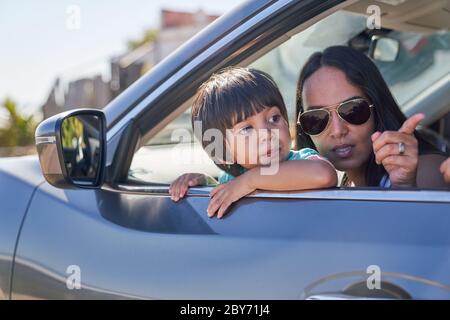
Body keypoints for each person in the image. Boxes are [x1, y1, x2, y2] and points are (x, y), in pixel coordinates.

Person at [169, 67, 337, 218]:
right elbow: (226, 194)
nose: (267, 134)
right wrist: (202, 182)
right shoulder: (233, 180)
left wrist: (250, 181)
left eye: (274, 118)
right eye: (247, 129)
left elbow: (324, 174)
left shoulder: (302, 160)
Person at [295, 46, 449, 189]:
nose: (337, 130)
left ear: (377, 106)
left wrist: (404, 185)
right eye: (316, 118)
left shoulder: (428, 172)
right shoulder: (337, 182)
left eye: (353, 110)